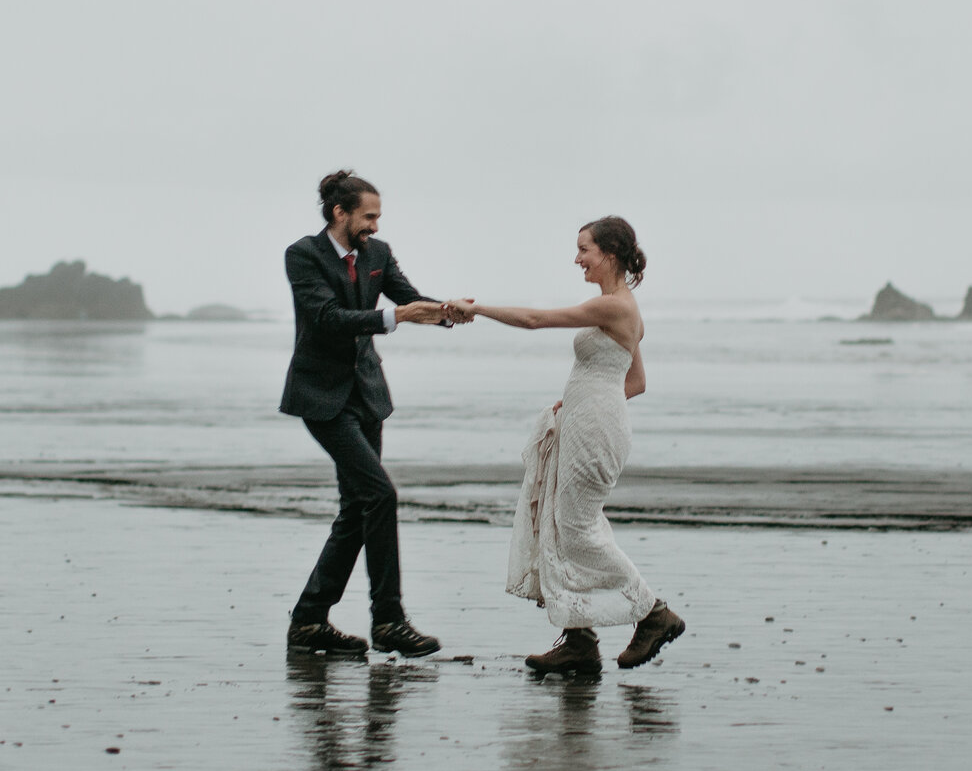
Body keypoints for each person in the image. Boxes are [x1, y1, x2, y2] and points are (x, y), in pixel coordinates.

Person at [457, 216, 686, 675]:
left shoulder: (616, 307)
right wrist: (585, 398)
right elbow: (636, 382)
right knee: (562, 527)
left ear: (611, 254)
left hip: (596, 430)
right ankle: (578, 641)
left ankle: (653, 613)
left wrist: (476, 308)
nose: (577, 257)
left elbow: (535, 319)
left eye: (584, 249)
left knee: (577, 528)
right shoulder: (620, 306)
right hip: (588, 420)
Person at [280, 169, 467, 657]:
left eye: (378, 217)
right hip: (321, 397)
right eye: (368, 217)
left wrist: (453, 309)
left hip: (367, 394)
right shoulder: (303, 255)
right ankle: (389, 620)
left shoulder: (378, 256)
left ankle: (307, 622)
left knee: (358, 507)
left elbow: (410, 299)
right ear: (339, 213)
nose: (376, 227)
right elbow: (325, 319)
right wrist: (398, 318)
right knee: (380, 494)